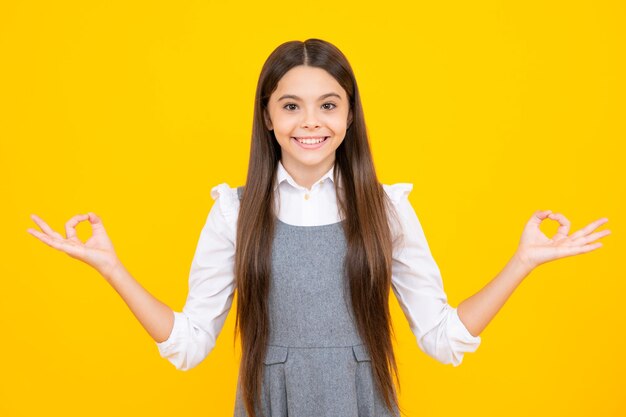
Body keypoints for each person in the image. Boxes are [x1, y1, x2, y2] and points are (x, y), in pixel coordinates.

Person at [26, 38, 611, 417]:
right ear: (268, 116)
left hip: (363, 404)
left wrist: (523, 262)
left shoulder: (385, 208)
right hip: (268, 404)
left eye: (329, 105)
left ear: (350, 115)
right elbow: (188, 345)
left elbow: (441, 337)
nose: (311, 122)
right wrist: (111, 268)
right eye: (291, 105)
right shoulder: (234, 210)